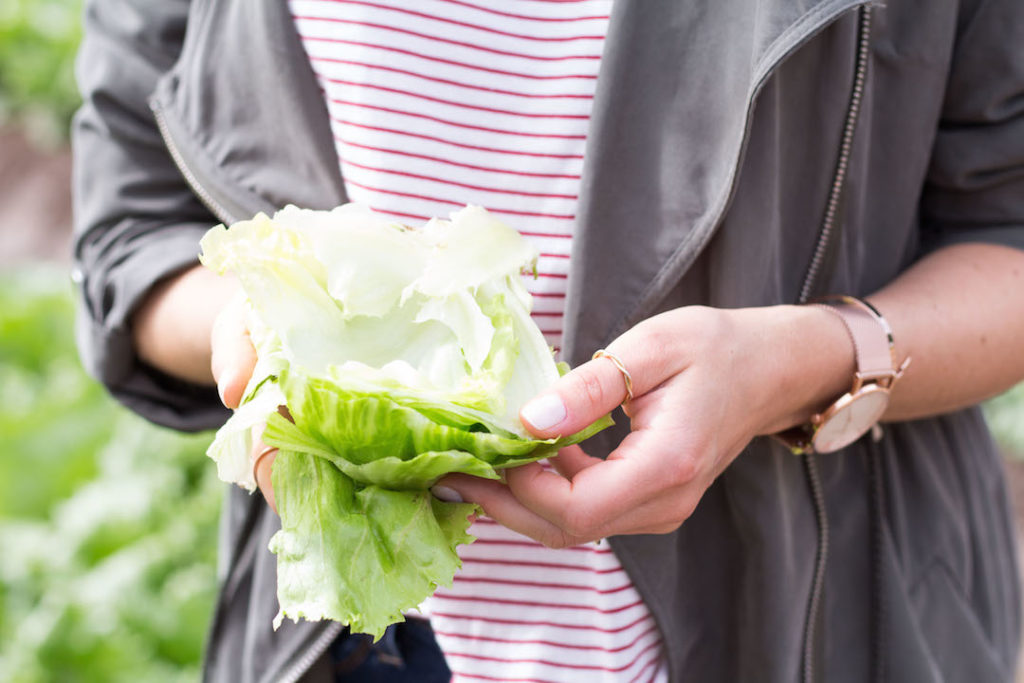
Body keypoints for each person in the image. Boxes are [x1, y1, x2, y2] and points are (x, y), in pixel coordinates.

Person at [72, 1, 1024, 681]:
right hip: (379, 643)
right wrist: (261, 330)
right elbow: (132, 231)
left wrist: (806, 363)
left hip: (806, 615)